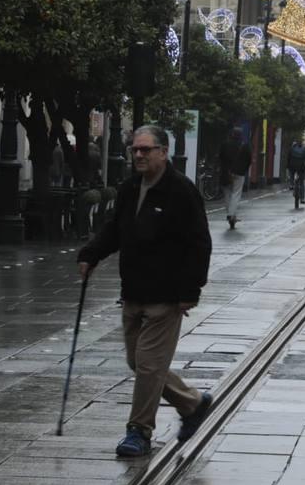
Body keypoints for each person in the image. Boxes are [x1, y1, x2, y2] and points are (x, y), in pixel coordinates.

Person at [76, 126, 214, 458]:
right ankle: (192, 403)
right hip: (134, 291)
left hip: (166, 295)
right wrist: (91, 255)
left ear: (163, 152)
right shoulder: (129, 188)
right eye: (134, 149)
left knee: (149, 365)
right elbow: (114, 229)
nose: (138, 155)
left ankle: (139, 430)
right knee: (137, 361)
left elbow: (199, 243)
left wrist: (190, 290)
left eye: (145, 150)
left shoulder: (181, 191)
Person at [218, 128, 252, 230]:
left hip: (226, 173)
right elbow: (249, 159)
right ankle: (231, 214)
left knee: (227, 192)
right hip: (239, 173)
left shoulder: (225, 144)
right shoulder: (245, 146)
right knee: (236, 193)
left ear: (231, 134)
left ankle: (230, 213)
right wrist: (244, 169)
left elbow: (220, 157)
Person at [287, 139, 305, 208]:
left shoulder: (291, 149)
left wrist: (287, 166)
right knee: (302, 182)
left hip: (293, 167)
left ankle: (291, 184)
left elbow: (288, 158)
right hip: (301, 168)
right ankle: (302, 198)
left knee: (291, 172)